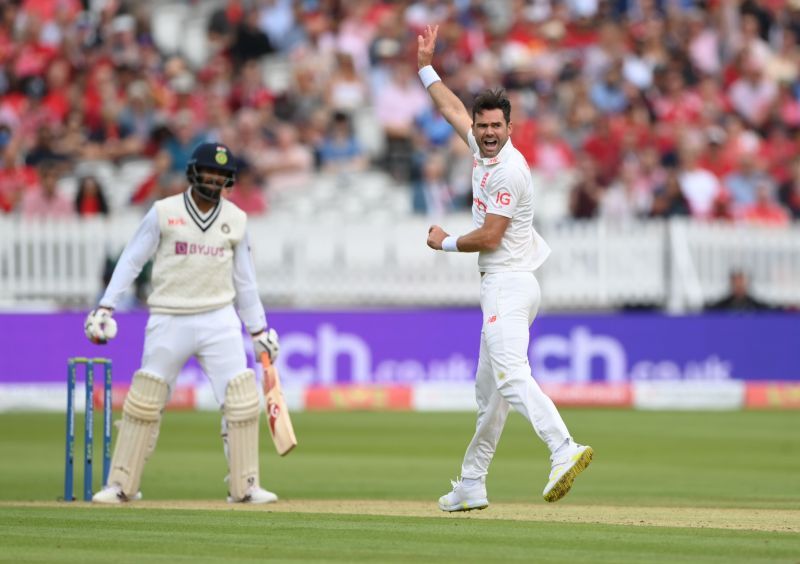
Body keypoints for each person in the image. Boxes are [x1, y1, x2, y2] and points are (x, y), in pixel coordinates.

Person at [417, 25, 593, 511]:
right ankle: (472, 482)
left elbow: (490, 236)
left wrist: (444, 241)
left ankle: (563, 448)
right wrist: (425, 67)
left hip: (507, 283)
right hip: (513, 283)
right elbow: (452, 108)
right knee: (488, 395)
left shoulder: (508, 170)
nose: (488, 133)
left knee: (511, 375)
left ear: (510, 129)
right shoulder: (480, 148)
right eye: (483, 125)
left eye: (497, 126)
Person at [84, 142, 281, 504]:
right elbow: (131, 260)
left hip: (219, 319)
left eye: (222, 174)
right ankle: (121, 486)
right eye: (209, 171)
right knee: (145, 401)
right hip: (168, 315)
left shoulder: (236, 219)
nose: (215, 178)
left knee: (240, 401)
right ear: (193, 171)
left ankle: (246, 487)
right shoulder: (164, 212)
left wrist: (259, 329)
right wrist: (106, 306)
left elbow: (245, 281)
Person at [705, 270, 772, 312]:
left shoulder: (754, 305)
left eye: (741, 284)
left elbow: (769, 310)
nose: (739, 287)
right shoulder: (723, 306)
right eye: (736, 284)